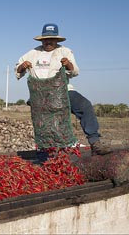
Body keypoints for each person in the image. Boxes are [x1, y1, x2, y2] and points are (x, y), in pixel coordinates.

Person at [15, 23, 111, 156]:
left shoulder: (64, 51)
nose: (48, 42)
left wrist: (68, 64)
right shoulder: (32, 53)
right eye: (46, 39)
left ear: (57, 40)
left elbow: (75, 71)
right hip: (40, 95)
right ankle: (47, 150)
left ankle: (95, 142)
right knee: (46, 123)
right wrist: (23, 66)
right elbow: (18, 71)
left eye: (52, 39)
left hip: (62, 91)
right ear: (42, 40)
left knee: (85, 105)